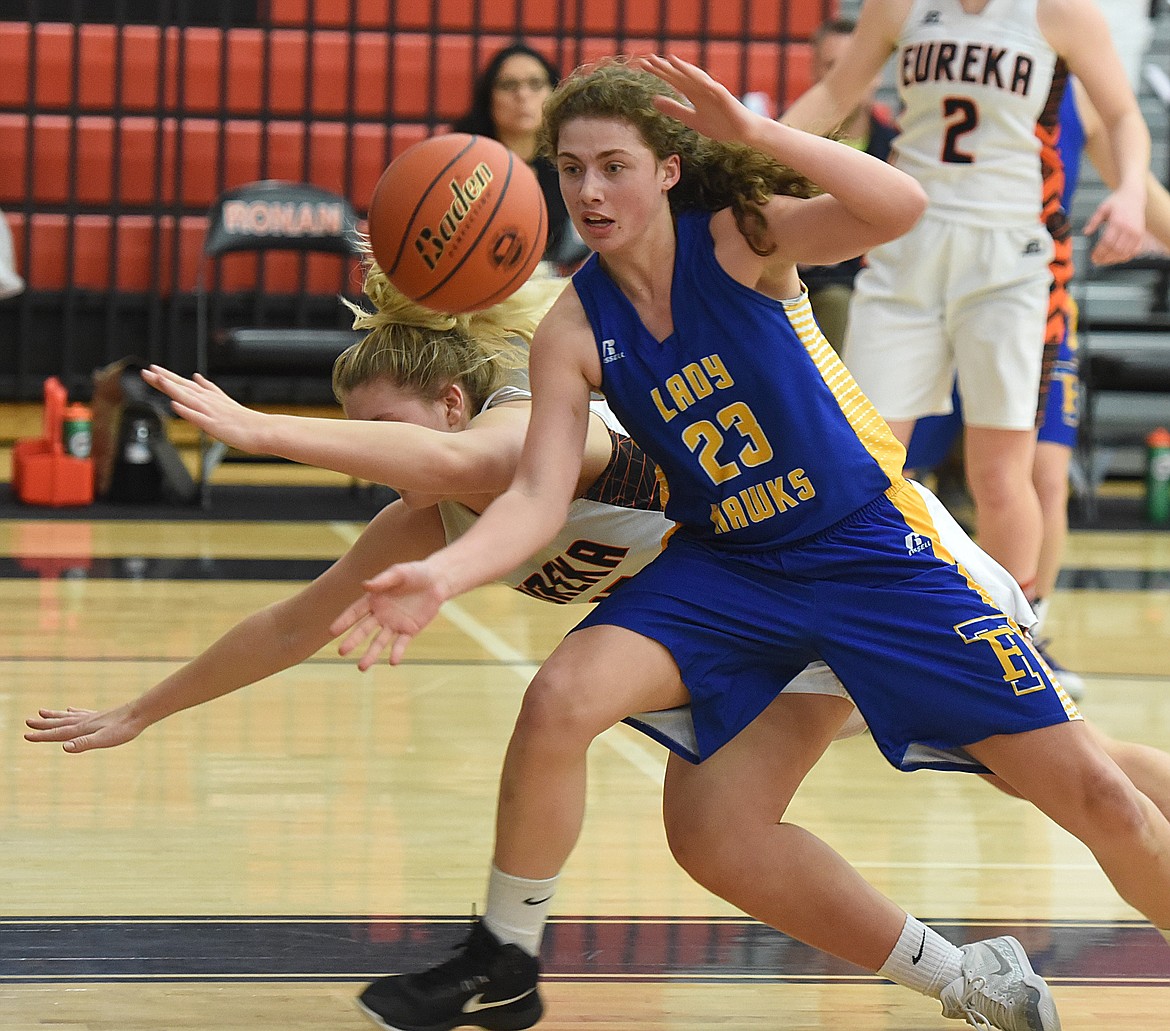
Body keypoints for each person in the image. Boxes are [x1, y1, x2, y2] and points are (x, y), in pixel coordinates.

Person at [29, 256, 1170, 1031]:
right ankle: (967, 977)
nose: (373, 454)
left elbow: (470, 469)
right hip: (750, 615)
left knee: (1073, 776)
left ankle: (503, 951)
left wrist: (257, 428)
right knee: (715, 834)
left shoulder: (532, 427)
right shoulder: (425, 512)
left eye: (381, 430)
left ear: (452, 402)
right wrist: (147, 708)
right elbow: (290, 621)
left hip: (863, 562)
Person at [318, 55, 1170, 1031]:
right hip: (738, 563)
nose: (590, 189)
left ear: (668, 169)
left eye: (614, 165)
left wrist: (758, 134)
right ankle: (511, 953)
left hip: (870, 540)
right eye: (571, 169)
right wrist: (441, 569)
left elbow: (897, 204)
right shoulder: (575, 326)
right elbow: (531, 498)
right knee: (692, 810)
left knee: (1090, 785)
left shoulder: (738, 236)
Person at [782, 0, 1150, 610]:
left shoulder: (1059, 13)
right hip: (906, 244)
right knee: (866, 466)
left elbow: (1122, 115)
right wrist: (750, 158)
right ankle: (863, 626)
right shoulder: (898, 6)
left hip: (1010, 254)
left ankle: (1018, 641)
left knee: (1001, 475)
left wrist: (1133, 191)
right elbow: (834, 93)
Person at [799, 17, 898, 353]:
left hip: (888, 288)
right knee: (838, 302)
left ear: (878, 74)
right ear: (814, 71)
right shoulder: (788, 147)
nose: (843, 80)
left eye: (853, 67)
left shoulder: (901, 149)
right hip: (814, 288)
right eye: (830, 66)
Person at [453, 41, 590, 271]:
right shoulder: (458, 160)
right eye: (509, 85)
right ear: (489, 97)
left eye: (535, 84)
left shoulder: (576, 161)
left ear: (554, 93)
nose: (523, 95)